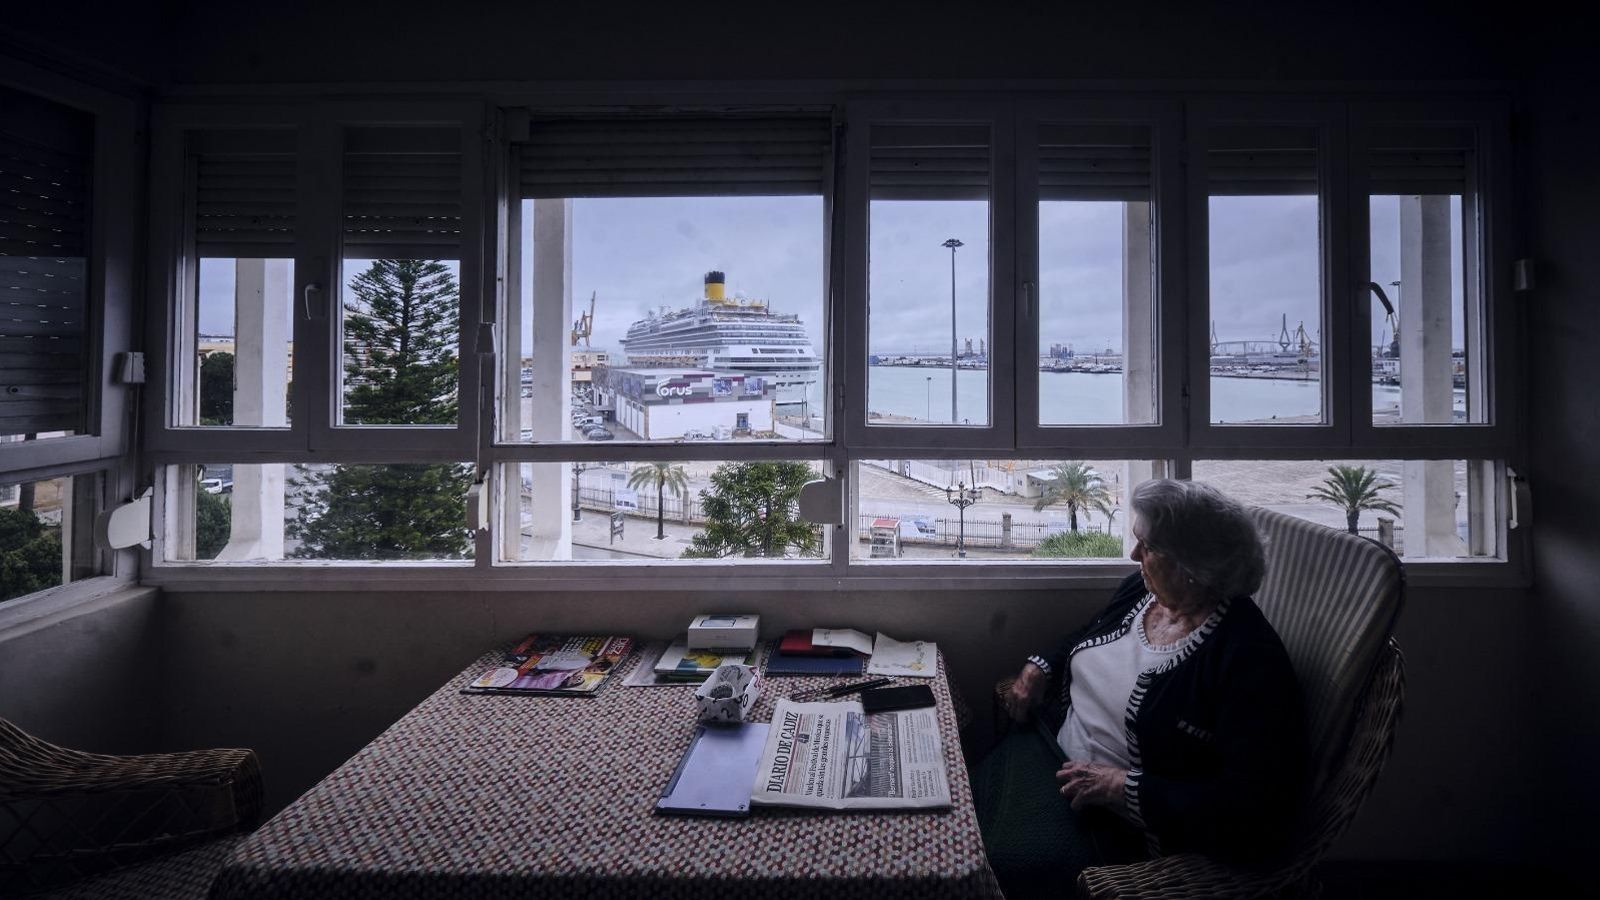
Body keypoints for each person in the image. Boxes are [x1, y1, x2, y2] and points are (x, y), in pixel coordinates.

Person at [974, 479, 1307, 898]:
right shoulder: (1144, 592)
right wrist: (1039, 667)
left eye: (1146, 547)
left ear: (1193, 565)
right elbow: (1087, 635)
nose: (1134, 556)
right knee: (962, 799)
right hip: (1051, 749)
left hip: (1115, 821)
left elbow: (1255, 809)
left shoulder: (1246, 658)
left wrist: (1122, 787)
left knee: (992, 863)